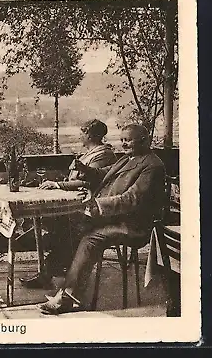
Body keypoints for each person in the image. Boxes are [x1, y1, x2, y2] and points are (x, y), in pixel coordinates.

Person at [39, 124, 166, 314]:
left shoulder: (152, 165)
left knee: (90, 239)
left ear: (144, 140)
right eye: (122, 140)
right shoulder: (127, 159)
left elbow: (131, 199)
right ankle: (65, 284)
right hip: (115, 218)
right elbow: (102, 174)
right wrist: (84, 168)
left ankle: (66, 298)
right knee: (70, 225)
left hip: (132, 224)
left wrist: (98, 204)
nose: (124, 144)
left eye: (128, 140)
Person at [22, 119, 118, 286]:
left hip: (91, 206)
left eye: (82, 133)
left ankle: (50, 273)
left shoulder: (104, 154)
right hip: (79, 203)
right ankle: (56, 268)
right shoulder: (90, 153)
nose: (80, 136)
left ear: (90, 135)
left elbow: (88, 181)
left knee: (65, 227)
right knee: (55, 224)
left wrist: (58, 185)